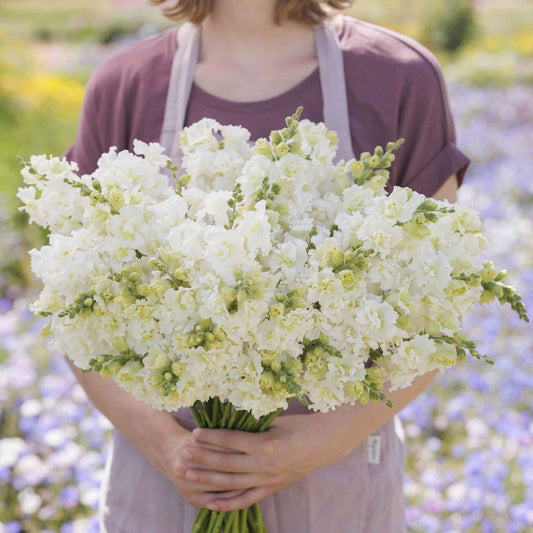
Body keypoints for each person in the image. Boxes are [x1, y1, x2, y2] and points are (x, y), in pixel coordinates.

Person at [63, 1, 471, 531]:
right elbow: (77, 315)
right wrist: (169, 449)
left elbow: (436, 311)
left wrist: (321, 441)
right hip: (163, 489)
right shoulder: (125, 87)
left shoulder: (398, 77)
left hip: (336, 488)